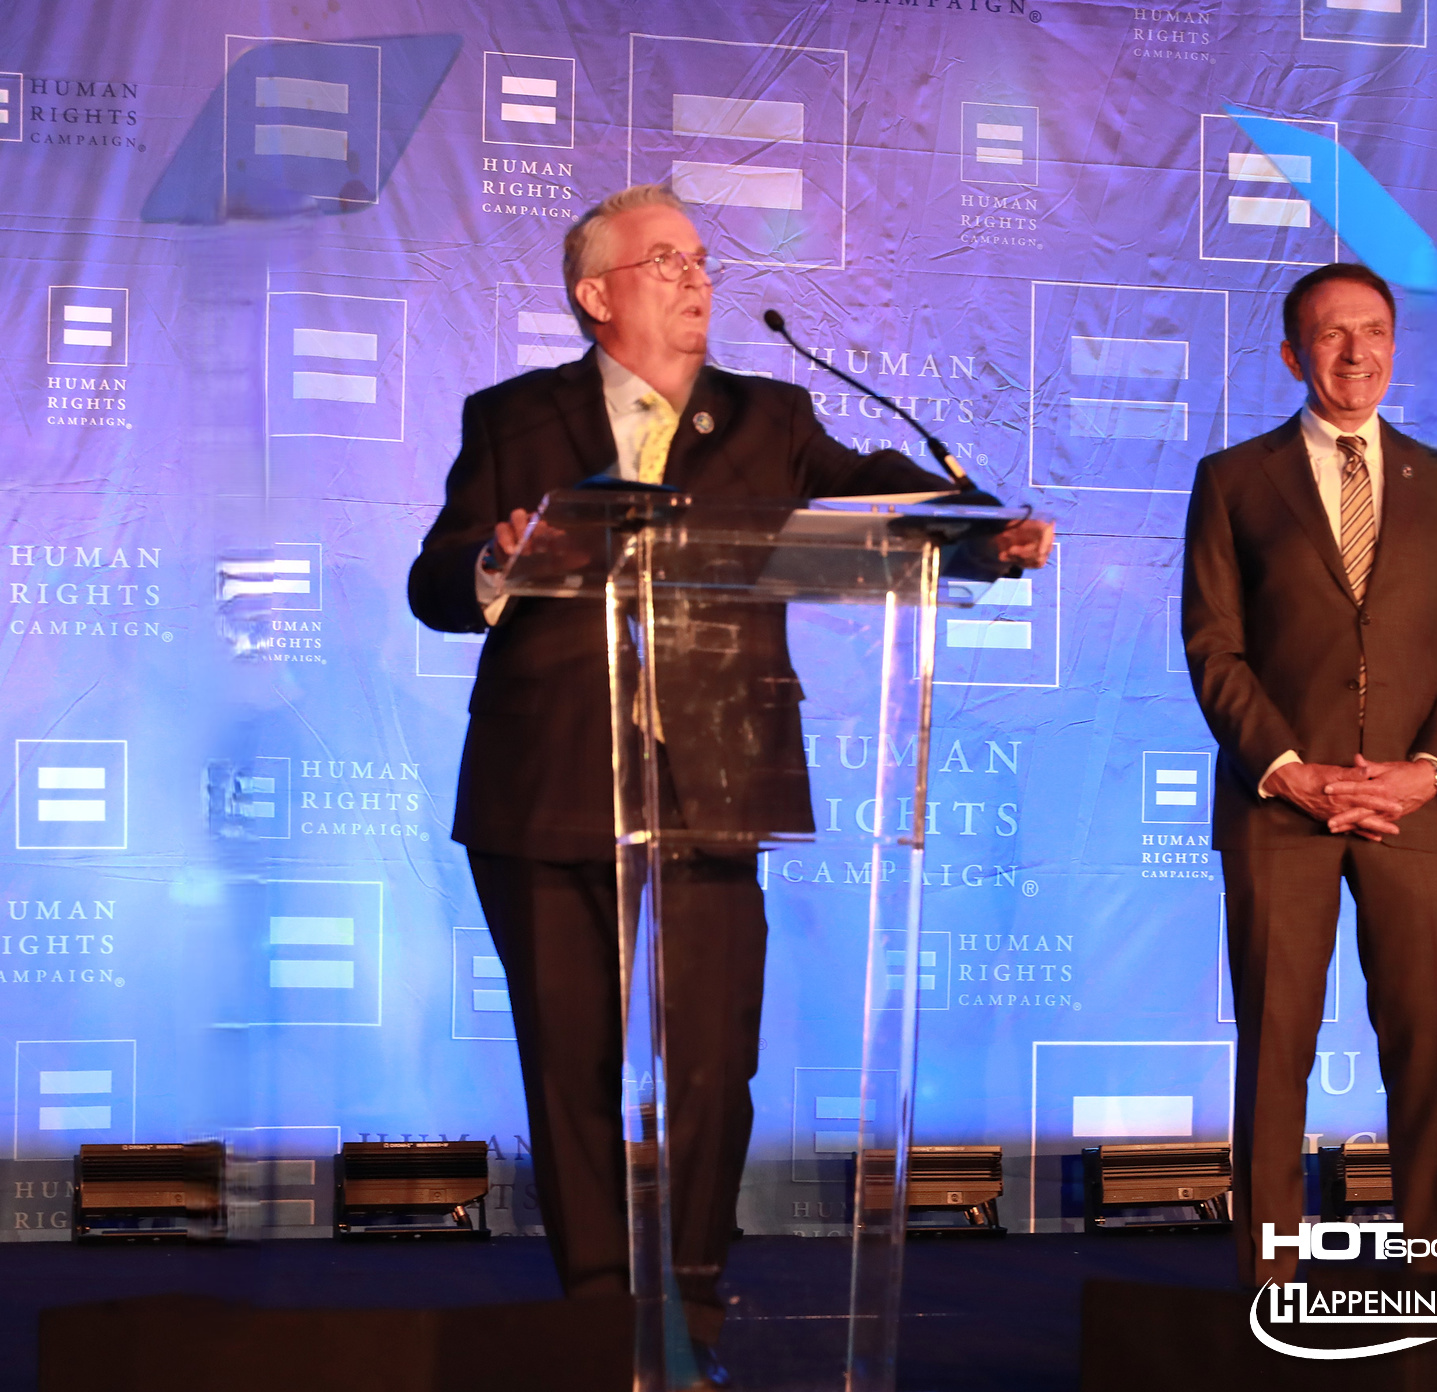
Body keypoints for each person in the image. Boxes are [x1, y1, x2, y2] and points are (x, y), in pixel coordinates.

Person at [408, 184, 1054, 1380]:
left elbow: (890, 500)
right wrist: (498, 560)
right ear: (595, 296)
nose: (696, 277)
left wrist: (982, 539)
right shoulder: (514, 415)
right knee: (571, 1068)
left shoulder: (770, 414)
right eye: (664, 261)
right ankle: (600, 1316)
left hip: (710, 782)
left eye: (701, 259)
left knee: (712, 1063)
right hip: (545, 789)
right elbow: (438, 583)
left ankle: (691, 1305)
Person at [1181, 261, 1437, 1289]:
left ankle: (1433, 1281)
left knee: (1424, 1059)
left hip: (1418, 812)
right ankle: (1269, 1287)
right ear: (1290, 354)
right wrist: (1286, 771)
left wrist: (1424, 773)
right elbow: (1211, 647)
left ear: (1393, 346)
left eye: (1370, 331)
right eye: (1329, 335)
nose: (1352, 352)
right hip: (1279, 811)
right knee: (1272, 1059)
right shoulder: (1233, 481)